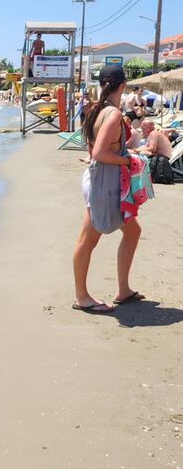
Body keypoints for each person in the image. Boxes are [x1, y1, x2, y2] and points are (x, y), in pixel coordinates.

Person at [73, 65, 144, 313]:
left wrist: (123, 153)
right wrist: (128, 160)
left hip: (98, 180)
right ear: (122, 86)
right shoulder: (113, 114)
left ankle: (123, 290)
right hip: (104, 184)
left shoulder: (97, 111)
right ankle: (82, 297)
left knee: (132, 231)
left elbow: (94, 151)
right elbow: (101, 154)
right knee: (87, 240)